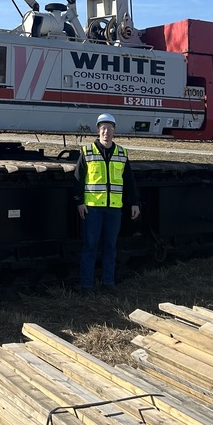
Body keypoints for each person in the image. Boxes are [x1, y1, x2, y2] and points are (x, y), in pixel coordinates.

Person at [74, 112, 140, 292]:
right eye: (103, 129)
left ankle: (108, 283)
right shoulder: (87, 152)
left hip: (113, 209)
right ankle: (86, 285)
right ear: (98, 131)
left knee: (111, 246)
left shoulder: (121, 153)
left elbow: (129, 181)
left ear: (114, 131)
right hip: (93, 208)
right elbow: (78, 179)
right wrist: (79, 202)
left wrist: (134, 203)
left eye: (109, 129)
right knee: (90, 246)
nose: (106, 132)